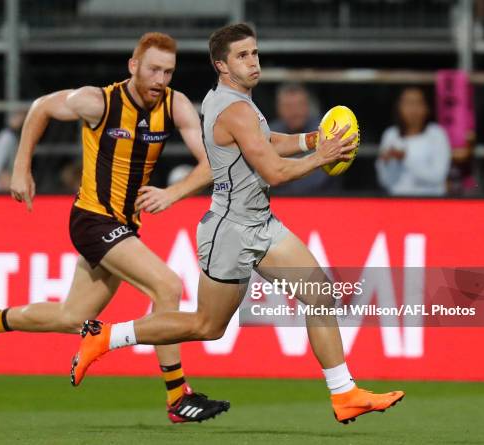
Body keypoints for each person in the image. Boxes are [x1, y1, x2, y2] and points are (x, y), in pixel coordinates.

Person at [70, 23, 405, 425]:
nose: (253, 62)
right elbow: (275, 171)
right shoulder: (235, 109)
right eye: (243, 56)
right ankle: (106, 336)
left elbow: (264, 141)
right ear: (222, 66)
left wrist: (312, 140)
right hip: (229, 233)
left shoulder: (234, 101)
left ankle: (344, 393)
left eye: (255, 53)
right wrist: (324, 155)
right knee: (207, 326)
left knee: (319, 293)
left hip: (259, 222)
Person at [0, 32, 231, 424]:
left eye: (167, 71)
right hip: (92, 220)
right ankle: (177, 395)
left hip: (124, 226)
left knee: (71, 317)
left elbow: (209, 163)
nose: (160, 79)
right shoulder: (98, 101)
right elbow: (40, 108)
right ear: (133, 66)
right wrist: (20, 167)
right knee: (167, 286)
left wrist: (174, 193)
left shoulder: (175, 104)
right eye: (153, 69)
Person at [376, 86, 451, 196]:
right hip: (397, 202)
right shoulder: (391, 135)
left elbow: (438, 176)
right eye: (408, 103)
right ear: (399, 107)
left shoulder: (437, 134)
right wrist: (386, 163)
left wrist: (405, 158)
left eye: (417, 103)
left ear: (427, 108)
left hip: (431, 201)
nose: (413, 109)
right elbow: (385, 181)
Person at [270, 83, 339, 195]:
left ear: (308, 106)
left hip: (320, 198)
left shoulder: (325, 131)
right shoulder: (269, 132)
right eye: (288, 106)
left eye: (299, 105)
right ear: (278, 108)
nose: (294, 112)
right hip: (280, 199)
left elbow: (318, 181)